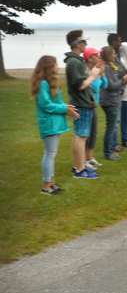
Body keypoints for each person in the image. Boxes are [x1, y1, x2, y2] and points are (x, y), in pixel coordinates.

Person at [31, 55, 79, 194]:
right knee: (49, 154)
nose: (58, 67)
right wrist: (65, 109)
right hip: (49, 124)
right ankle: (46, 185)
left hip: (55, 123)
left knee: (52, 154)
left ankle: (52, 183)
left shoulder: (51, 83)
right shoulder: (42, 84)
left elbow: (57, 103)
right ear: (48, 67)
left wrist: (67, 107)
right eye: (56, 64)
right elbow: (46, 105)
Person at [64, 29, 102, 179]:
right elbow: (80, 85)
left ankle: (77, 166)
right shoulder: (74, 62)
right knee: (81, 137)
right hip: (82, 103)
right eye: (84, 41)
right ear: (78, 44)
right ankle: (80, 170)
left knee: (79, 136)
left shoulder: (76, 60)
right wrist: (93, 75)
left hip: (83, 103)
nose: (86, 44)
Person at [100, 46, 127, 160]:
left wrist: (125, 78)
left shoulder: (110, 67)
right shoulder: (106, 68)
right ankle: (108, 152)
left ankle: (111, 151)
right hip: (109, 101)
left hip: (113, 100)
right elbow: (111, 86)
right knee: (111, 128)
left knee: (112, 127)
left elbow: (116, 83)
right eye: (113, 54)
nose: (115, 55)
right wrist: (124, 80)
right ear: (108, 56)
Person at [83, 47, 107, 170]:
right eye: (96, 55)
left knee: (93, 132)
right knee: (85, 134)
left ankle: (90, 157)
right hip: (86, 105)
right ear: (89, 58)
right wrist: (96, 75)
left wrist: (102, 73)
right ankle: (83, 159)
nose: (98, 57)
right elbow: (93, 88)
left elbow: (105, 85)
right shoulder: (85, 72)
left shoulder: (95, 71)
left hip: (93, 105)